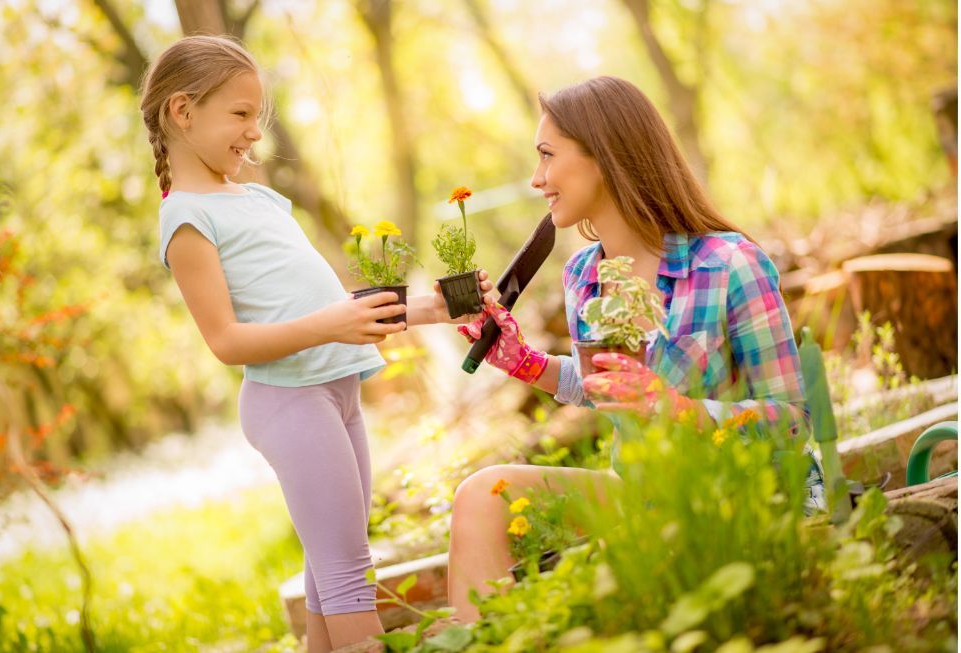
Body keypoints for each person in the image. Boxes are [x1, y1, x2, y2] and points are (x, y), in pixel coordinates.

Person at [140, 35, 492, 653]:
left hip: (335, 393)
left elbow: (323, 308)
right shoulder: (188, 218)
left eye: (258, 115)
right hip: (290, 402)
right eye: (240, 113)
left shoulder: (255, 198)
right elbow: (226, 340)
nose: (255, 131)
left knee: (332, 569)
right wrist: (331, 325)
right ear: (183, 111)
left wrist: (428, 309)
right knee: (349, 573)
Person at [450, 76, 825, 622]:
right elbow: (609, 386)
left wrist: (679, 410)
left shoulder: (729, 264)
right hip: (646, 496)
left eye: (548, 155)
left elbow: (794, 421)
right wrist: (524, 362)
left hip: (747, 497)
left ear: (603, 155)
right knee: (482, 496)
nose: (536, 178)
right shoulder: (583, 276)